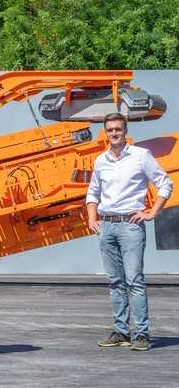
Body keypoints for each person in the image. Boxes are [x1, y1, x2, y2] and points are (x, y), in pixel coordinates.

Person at [86, 112, 173, 351]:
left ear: (126, 131)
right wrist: (93, 217)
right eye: (110, 130)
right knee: (115, 281)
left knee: (135, 281)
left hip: (130, 226)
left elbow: (165, 183)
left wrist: (153, 212)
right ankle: (121, 331)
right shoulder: (101, 160)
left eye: (118, 129)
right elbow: (93, 192)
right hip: (107, 226)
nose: (114, 133)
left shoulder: (140, 156)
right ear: (106, 132)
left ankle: (142, 334)